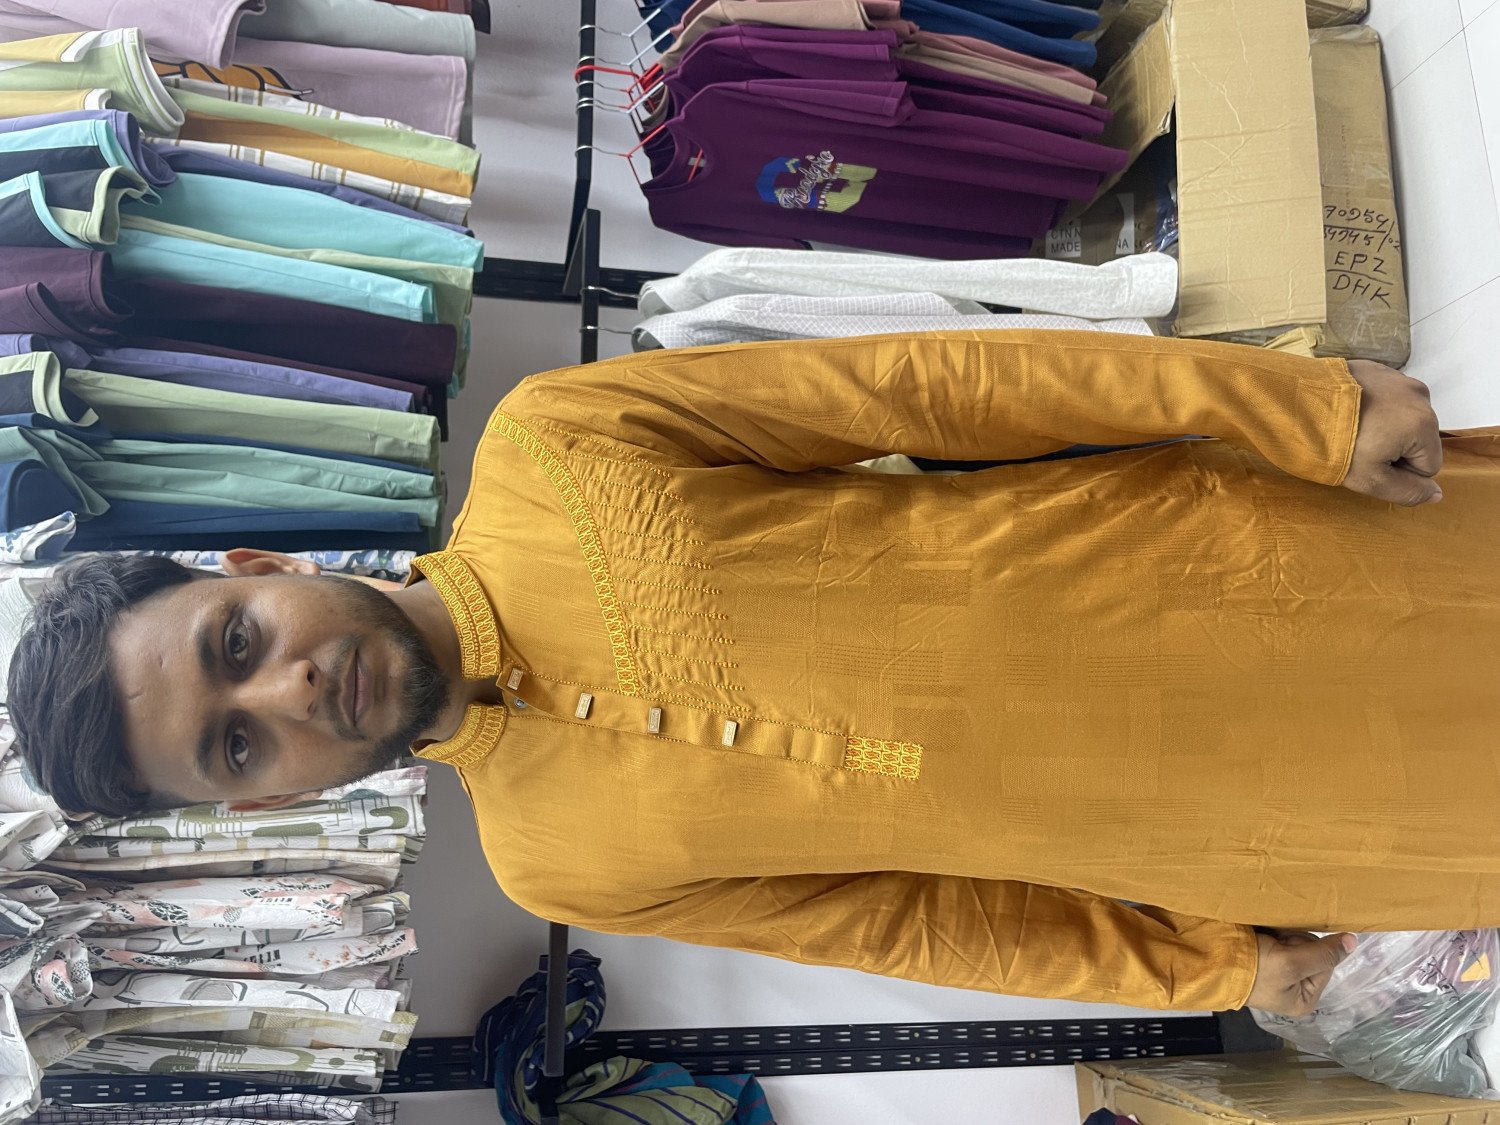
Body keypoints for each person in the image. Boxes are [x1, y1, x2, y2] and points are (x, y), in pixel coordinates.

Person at [9, 331, 1498, 1020]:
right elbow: (916, 923)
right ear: (266, 800)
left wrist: (1292, 407)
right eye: (235, 745)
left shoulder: (554, 445)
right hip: (1327, 824)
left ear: (257, 567)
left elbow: (933, 393)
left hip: (1305, 576)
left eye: (236, 645)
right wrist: (1205, 967)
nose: (283, 696)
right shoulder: (555, 866)